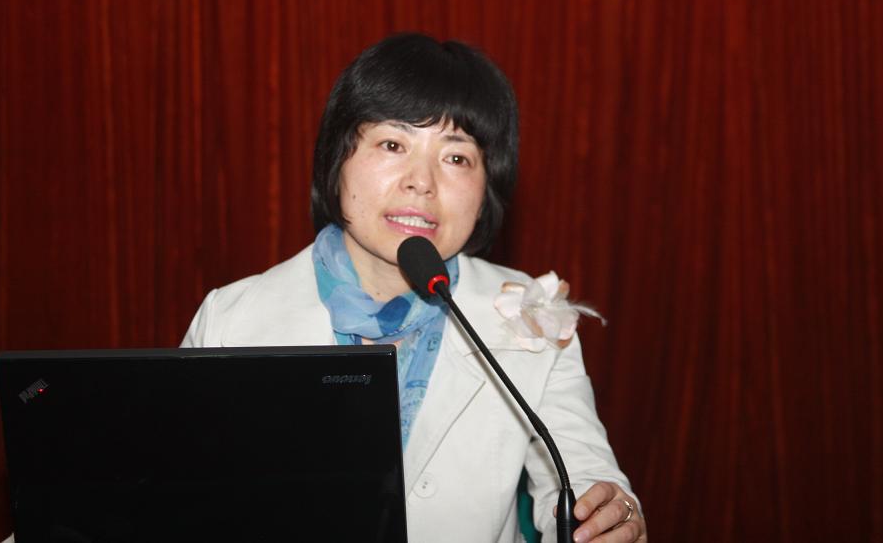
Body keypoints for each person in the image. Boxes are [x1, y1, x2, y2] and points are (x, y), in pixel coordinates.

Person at [182, 33, 647, 542]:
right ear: (338, 159)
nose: (421, 181)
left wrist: (609, 515)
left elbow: (581, 475)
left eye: (456, 158)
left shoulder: (530, 316)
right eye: (392, 144)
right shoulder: (232, 319)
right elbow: (179, 497)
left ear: (487, 188)